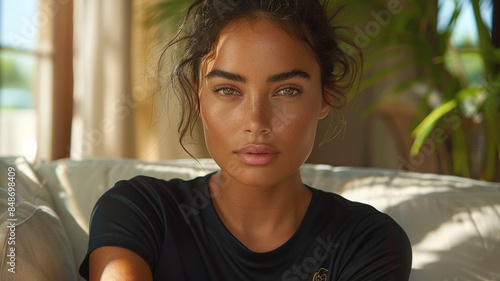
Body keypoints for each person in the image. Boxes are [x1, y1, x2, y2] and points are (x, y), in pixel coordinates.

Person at [79, 0, 412, 280]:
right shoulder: (139, 213)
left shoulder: (369, 241)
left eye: (287, 90)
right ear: (198, 98)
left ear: (326, 97)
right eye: (228, 90)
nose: (256, 122)